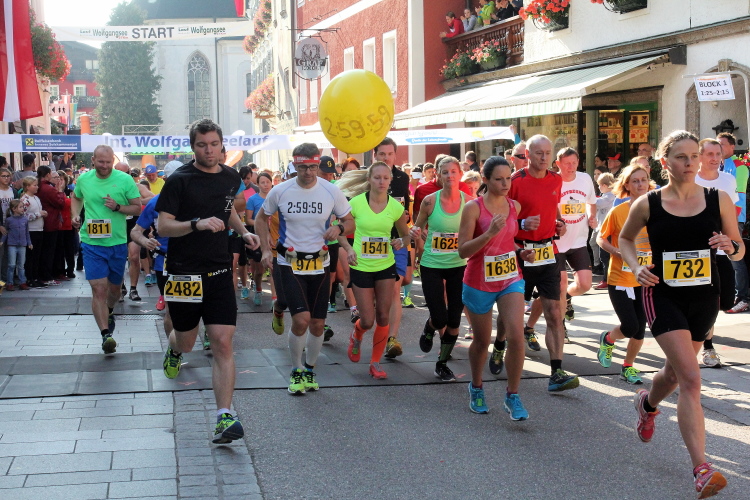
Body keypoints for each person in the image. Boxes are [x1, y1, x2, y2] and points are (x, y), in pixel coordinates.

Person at [620, 130, 742, 499]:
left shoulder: (717, 198)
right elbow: (625, 239)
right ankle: (702, 469)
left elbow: (739, 249)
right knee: (691, 378)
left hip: (704, 296)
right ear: (664, 162)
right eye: (681, 157)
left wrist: (730, 245)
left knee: (674, 373)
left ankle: (647, 404)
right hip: (662, 294)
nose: (689, 163)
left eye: (694, 156)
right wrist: (636, 267)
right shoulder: (649, 203)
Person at [156, 119, 260, 444]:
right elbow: (163, 226)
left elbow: (228, 211)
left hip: (218, 271)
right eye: (202, 145)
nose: (209, 150)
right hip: (184, 272)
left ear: (221, 145)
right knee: (186, 342)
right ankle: (173, 348)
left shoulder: (230, 177)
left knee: (222, 342)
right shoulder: (179, 180)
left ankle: (223, 416)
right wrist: (196, 224)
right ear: (193, 147)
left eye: (214, 144)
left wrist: (244, 232)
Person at [255, 143, 354, 394]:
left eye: (312, 167)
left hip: (320, 263)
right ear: (294, 165)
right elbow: (261, 218)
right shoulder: (280, 190)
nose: (308, 172)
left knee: (318, 324)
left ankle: (310, 369)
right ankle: (296, 370)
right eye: (302, 167)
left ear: (317, 164)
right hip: (289, 262)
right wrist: (265, 249)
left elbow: (349, 221)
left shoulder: (331, 191)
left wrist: (339, 228)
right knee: (301, 319)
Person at [458, 156, 535, 417]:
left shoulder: (514, 206)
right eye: (499, 179)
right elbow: (463, 251)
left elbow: (507, 241)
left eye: (508, 178)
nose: (505, 184)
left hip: (510, 278)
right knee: (482, 341)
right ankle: (476, 386)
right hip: (478, 281)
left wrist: (520, 252)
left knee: (516, 336)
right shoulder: (473, 208)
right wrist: (489, 233)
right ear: (486, 180)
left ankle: (513, 395)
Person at [508, 134, 579, 392]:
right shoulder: (515, 181)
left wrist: (559, 223)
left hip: (549, 252)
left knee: (554, 313)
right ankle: (500, 345)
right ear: (528, 155)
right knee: (511, 314)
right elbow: (502, 216)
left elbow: (553, 206)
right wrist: (521, 224)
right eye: (539, 153)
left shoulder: (556, 179)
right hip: (521, 253)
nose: (544, 157)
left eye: (548, 153)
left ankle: (556, 371)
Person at [337, 162, 410, 379]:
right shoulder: (356, 203)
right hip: (361, 266)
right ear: (369, 179)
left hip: (385, 265)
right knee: (368, 320)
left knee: (383, 315)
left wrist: (401, 242)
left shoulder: (395, 207)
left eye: (385, 178)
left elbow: (405, 236)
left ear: (390, 180)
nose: (381, 181)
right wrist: (349, 249)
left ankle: (375, 363)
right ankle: (357, 334)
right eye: (377, 177)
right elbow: (339, 231)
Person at [72, 145, 141, 354]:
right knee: (98, 289)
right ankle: (105, 335)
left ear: (113, 161)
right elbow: (76, 197)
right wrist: (75, 215)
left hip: (117, 243)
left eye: (108, 162)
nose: (104, 166)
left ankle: (109, 310)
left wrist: (118, 207)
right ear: (93, 160)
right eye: (100, 162)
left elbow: (137, 208)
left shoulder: (125, 180)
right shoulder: (84, 179)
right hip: (91, 242)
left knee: (114, 290)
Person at [526, 148, 596, 342]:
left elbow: (592, 202)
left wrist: (592, 216)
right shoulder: (552, 181)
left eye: (574, 162)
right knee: (559, 286)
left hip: (578, 240)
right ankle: (558, 325)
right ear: (558, 164)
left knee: (585, 284)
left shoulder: (585, 179)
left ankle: (566, 297)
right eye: (567, 163)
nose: (571, 167)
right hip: (555, 243)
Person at [595, 164, 655, 385]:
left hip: (645, 277)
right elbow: (601, 238)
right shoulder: (618, 211)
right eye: (635, 181)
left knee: (640, 329)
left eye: (643, 180)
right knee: (630, 326)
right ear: (627, 185)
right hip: (620, 277)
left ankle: (628, 367)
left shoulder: (657, 211)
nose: (640, 184)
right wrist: (616, 251)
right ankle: (608, 338)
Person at [409, 156, 467, 381]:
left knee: (454, 320)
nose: (450, 176)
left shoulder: (469, 202)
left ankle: (441, 364)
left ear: (460, 174)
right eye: (445, 172)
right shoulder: (430, 201)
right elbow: (417, 227)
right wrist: (416, 233)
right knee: (440, 317)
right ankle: (430, 326)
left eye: (453, 171)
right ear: (439, 175)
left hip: (459, 266)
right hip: (432, 264)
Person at [695, 138, 740, 369]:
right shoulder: (691, 180)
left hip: (722, 250)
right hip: (696, 252)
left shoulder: (728, 180)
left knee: (725, 300)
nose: (715, 158)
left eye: (718, 154)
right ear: (700, 156)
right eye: (710, 154)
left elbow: (733, 212)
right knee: (707, 301)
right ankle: (707, 347)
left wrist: (732, 239)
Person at [130, 161, 181, 340]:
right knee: (172, 308)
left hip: (193, 260)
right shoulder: (156, 202)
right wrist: (145, 241)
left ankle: (206, 332)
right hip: (165, 262)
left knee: (198, 304)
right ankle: (173, 349)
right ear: (166, 179)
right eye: (175, 179)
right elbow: (135, 231)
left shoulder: (197, 200)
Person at [372, 137, 412, 358]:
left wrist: (406, 218)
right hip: (371, 244)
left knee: (395, 289)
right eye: (382, 154)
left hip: (396, 242)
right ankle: (370, 329)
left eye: (390, 154)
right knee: (377, 295)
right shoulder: (367, 177)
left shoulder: (402, 178)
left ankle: (391, 339)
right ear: (375, 156)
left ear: (395, 155)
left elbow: (405, 208)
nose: (386, 158)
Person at [716, 132, 749, 313]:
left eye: (722, 144)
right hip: (719, 217)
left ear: (732, 147)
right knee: (722, 258)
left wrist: (732, 220)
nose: (719, 148)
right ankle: (727, 294)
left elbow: (740, 196)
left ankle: (742, 298)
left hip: (734, 218)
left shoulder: (739, 166)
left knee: (735, 257)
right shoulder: (718, 165)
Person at [244, 172, 273, 305]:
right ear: (257, 184)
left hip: (275, 236)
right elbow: (248, 220)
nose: (266, 185)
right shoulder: (253, 200)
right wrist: (261, 224)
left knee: (274, 269)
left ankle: (275, 298)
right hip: (258, 236)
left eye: (268, 182)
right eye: (262, 182)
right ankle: (258, 289)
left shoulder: (276, 197)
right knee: (260, 270)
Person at [36, 167, 66, 286]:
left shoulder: (38, 186)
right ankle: (47, 276)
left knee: (42, 251)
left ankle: (42, 274)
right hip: (51, 222)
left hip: (41, 222)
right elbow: (60, 203)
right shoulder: (48, 188)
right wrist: (60, 191)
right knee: (49, 251)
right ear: (48, 175)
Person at [20, 177, 45, 288]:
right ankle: (29, 278)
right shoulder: (25, 199)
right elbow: (23, 216)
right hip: (30, 230)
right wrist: (39, 214)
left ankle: (36, 277)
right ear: (27, 187)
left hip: (39, 229)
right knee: (31, 256)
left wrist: (42, 213)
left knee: (37, 255)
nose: (37, 187)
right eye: (34, 185)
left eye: (37, 185)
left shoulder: (36, 198)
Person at [2, 199, 32, 291]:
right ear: (14, 209)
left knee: (21, 265)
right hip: (12, 245)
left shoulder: (25, 220)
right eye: (20, 207)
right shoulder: (9, 220)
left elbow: (27, 232)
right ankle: (9, 283)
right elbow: (6, 232)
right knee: (11, 265)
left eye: (23, 207)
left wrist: (29, 243)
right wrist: (2, 241)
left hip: (22, 245)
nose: (23, 208)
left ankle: (22, 282)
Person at [592, 173, 615, 283]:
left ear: (605, 185)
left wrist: (588, 198)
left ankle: (607, 280)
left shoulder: (610, 196)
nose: (599, 187)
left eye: (599, 185)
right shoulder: (605, 195)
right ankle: (607, 279)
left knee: (605, 256)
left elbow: (597, 203)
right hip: (603, 229)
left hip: (607, 230)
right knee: (605, 256)